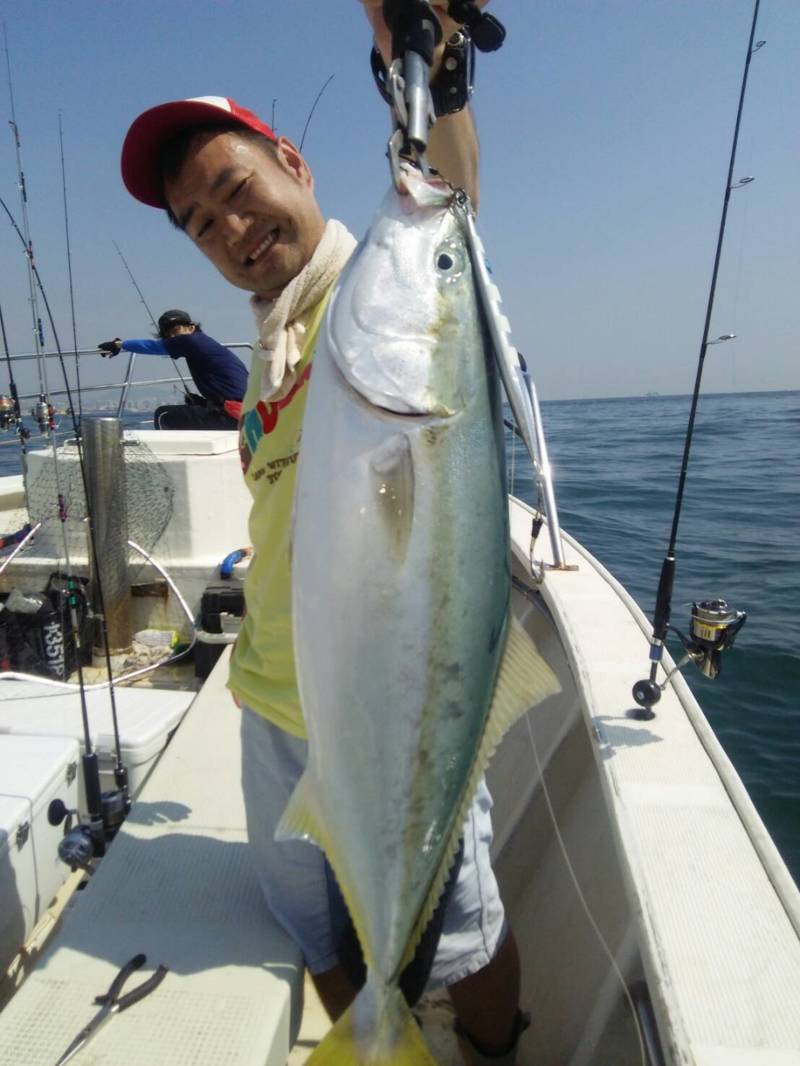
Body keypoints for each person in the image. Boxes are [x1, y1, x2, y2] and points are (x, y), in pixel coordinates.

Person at [119, 4, 527, 1063]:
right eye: (200, 223)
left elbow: (450, 207)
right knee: (310, 922)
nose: (230, 228)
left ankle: (492, 1052)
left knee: (465, 938)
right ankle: (373, 1035)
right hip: (271, 701)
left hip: (393, 701)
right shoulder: (275, 340)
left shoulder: (369, 284)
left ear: (292, 165)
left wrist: (435, 77)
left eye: (236, 189)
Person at [97, 309, 248, 429]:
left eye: (176, 330)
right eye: (168, 335)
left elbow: (152, 346)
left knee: (163, 414)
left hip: (232, 417)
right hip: (245, 414)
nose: (173, 337)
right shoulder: (205, 344)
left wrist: (119, 345)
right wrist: (204, 403)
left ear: (191, 327)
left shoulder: (192, 341)